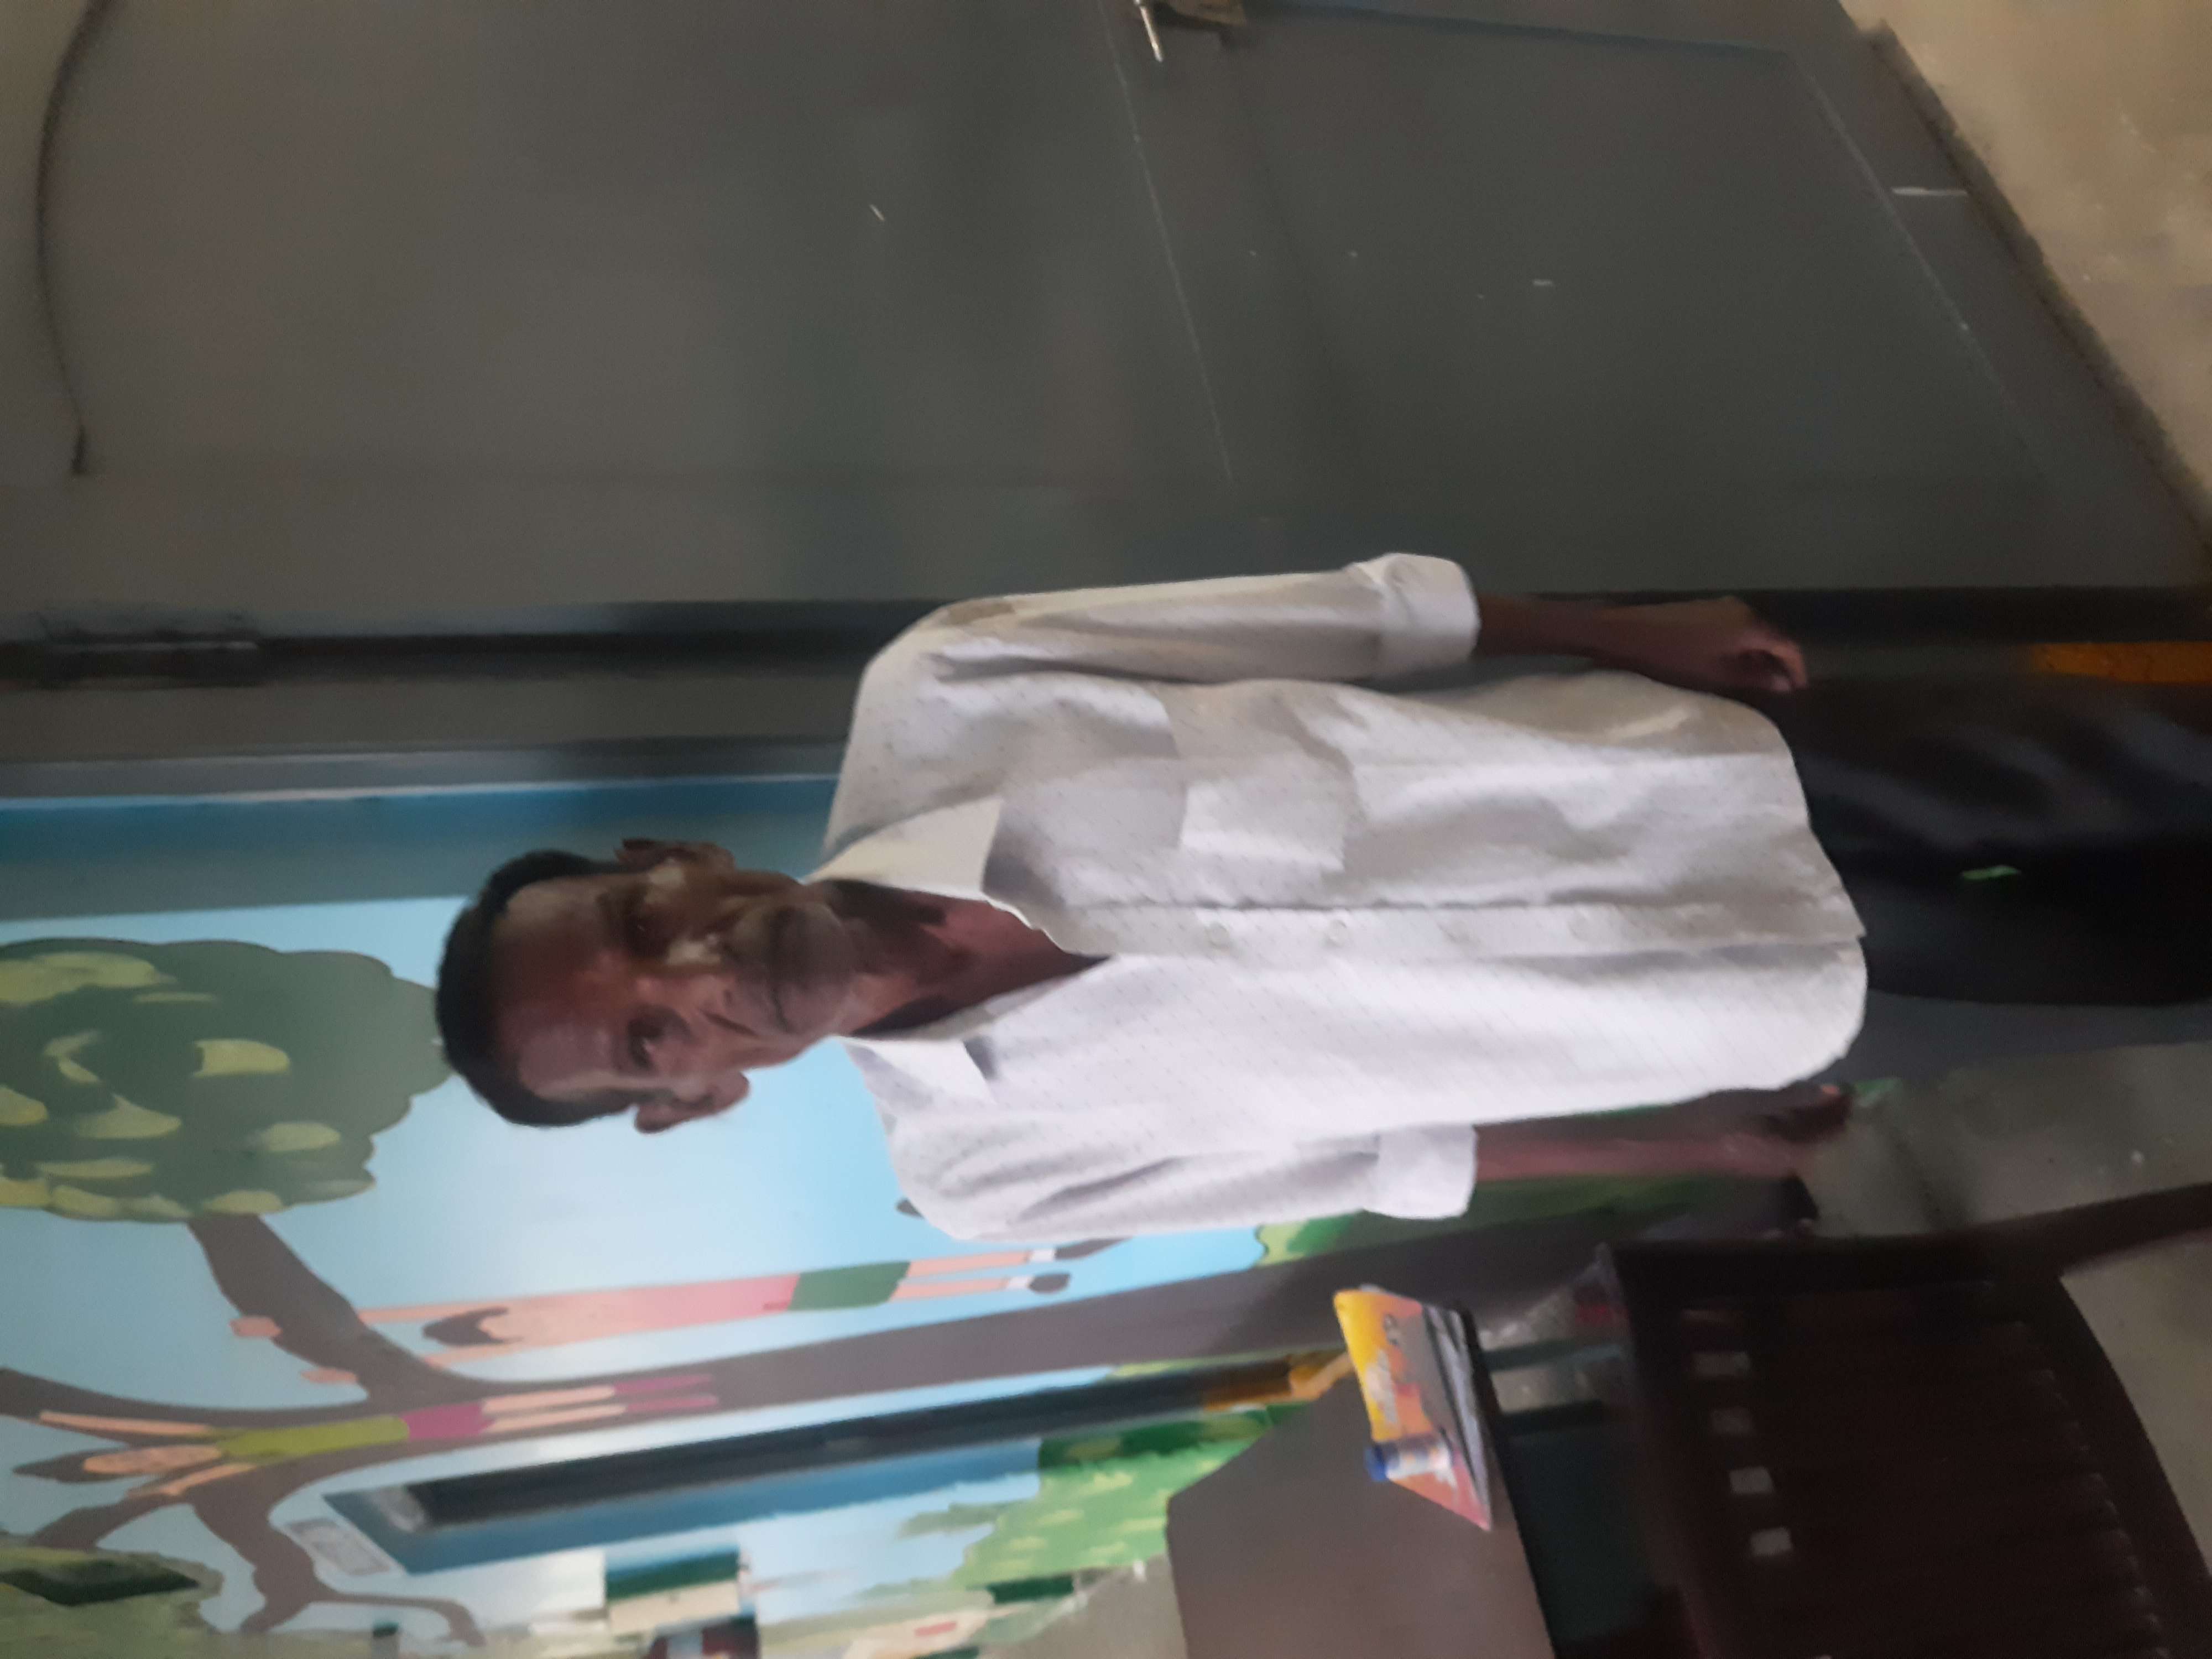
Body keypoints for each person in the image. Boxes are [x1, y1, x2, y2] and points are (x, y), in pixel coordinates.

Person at [434, 557, 2212, 1240]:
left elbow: (1354, 620)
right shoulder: (990, 1177)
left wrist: (1634, 629)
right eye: (652, 1037)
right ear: (696, 1099)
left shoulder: (949, 686)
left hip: (1701, 772)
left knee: (2159, 752)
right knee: (2159, 976)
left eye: (638, 926)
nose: (694, 970)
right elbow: (1383, 1159)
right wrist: (1685, 1136)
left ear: (668, 861)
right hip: (1742, 1007)